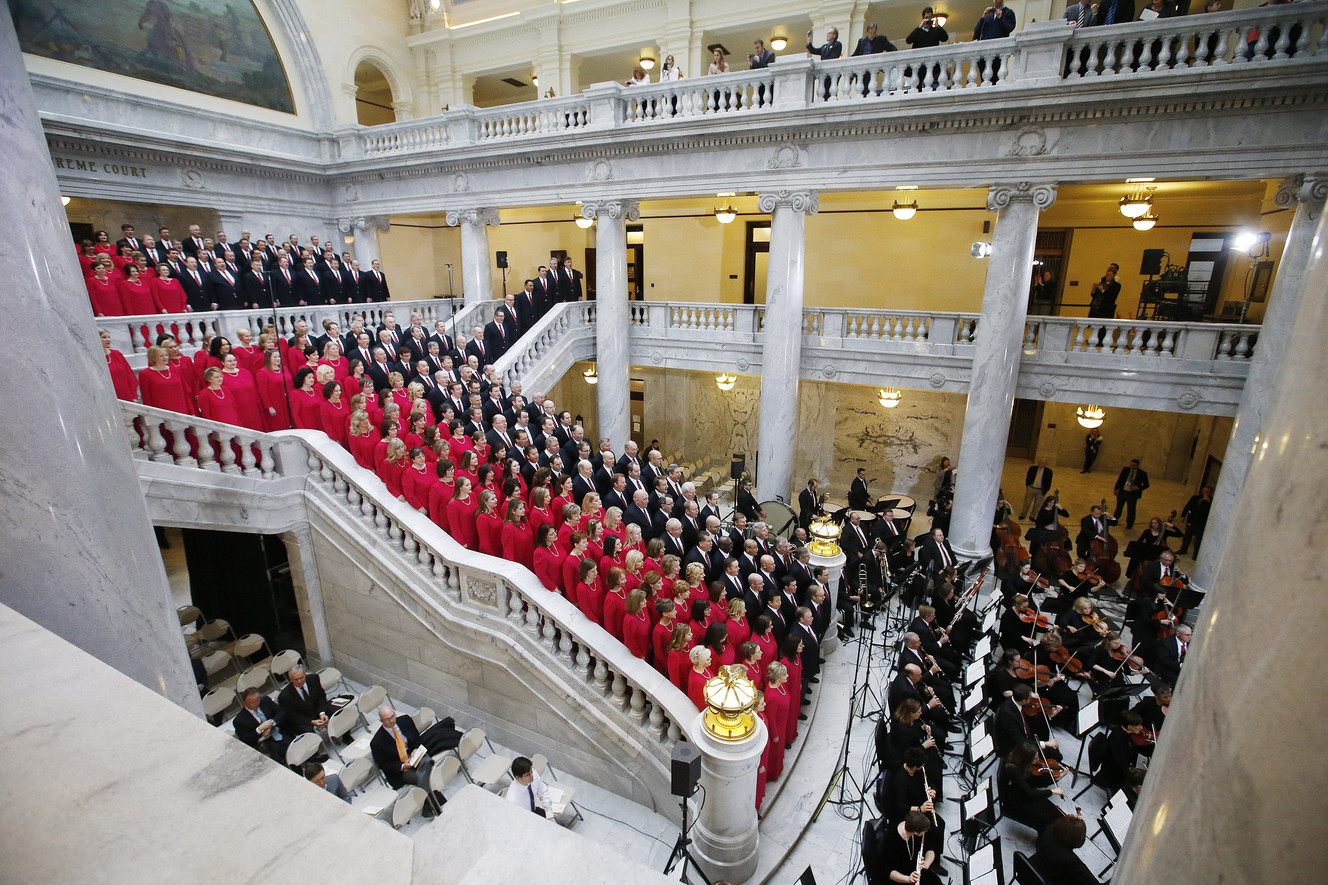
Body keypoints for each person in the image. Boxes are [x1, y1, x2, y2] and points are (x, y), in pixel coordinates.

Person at [998, 740, 1066, 832]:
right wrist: (1052, 791)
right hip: (1014, 802)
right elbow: (1030, 793)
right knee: (1048, 819)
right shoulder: (1014, 770)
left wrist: (1058, 778)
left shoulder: (1019, 762)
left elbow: (1032, 783)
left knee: (1055, 813)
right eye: (1034, 759)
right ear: (1025, 759)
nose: (1038, 760)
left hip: (1020, 793)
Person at [369, 706, 436, 797]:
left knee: (425, 769)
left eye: (393, 716)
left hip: (414, 755)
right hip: (400, 768)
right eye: (387, 720)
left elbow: (417, 738)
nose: (392, 721)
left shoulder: (405, 720)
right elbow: (384, 765)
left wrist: (415, 749)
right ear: (381, 721)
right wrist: (403, 766)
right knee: (424, 775)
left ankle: (430, 803)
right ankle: (432, 801)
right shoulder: (377, 742)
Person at [1031, 814, 1099, 885]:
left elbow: (1064, 827)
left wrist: (1074, 823)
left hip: (1031, 871)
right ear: (1076, 840)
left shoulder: (1047, 831)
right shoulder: (1072, 862)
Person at [233, 686, 292, 760]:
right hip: (264, 743)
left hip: (280, 733)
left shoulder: (265, 701)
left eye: (258, 700)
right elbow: (246, 740)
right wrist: (259, 729)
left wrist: (272, 723)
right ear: (244, 703)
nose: (256, 704)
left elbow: (281, 712)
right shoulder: (239, 720)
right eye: (252, 703)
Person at [1112, 458, 1150, 529]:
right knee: (1118, 507)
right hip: (1123, 491)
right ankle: (1115, 520)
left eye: (1134, 465)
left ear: (1137, 466)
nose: (1132, 467)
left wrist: (1138, 487)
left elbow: (1147, 484)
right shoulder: (1126, 470)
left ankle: (1129, 523)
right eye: (1131, 465)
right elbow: (1120, 479)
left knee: (1131, 509)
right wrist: (1116, 488)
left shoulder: (1142, 473)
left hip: (1132, 494)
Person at [1177, 485, 1213, 556]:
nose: (1204, 493)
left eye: (1207, 492)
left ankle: (1196, 554)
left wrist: (1206, 500)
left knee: (1198, 539)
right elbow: (1188, 506)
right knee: (1187, 536)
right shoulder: (1195, 498)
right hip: (1192, 520)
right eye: (1204, 491)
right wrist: (1183, 515)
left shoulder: (1211, 501)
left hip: (1201, 522)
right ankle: (1183, 549)